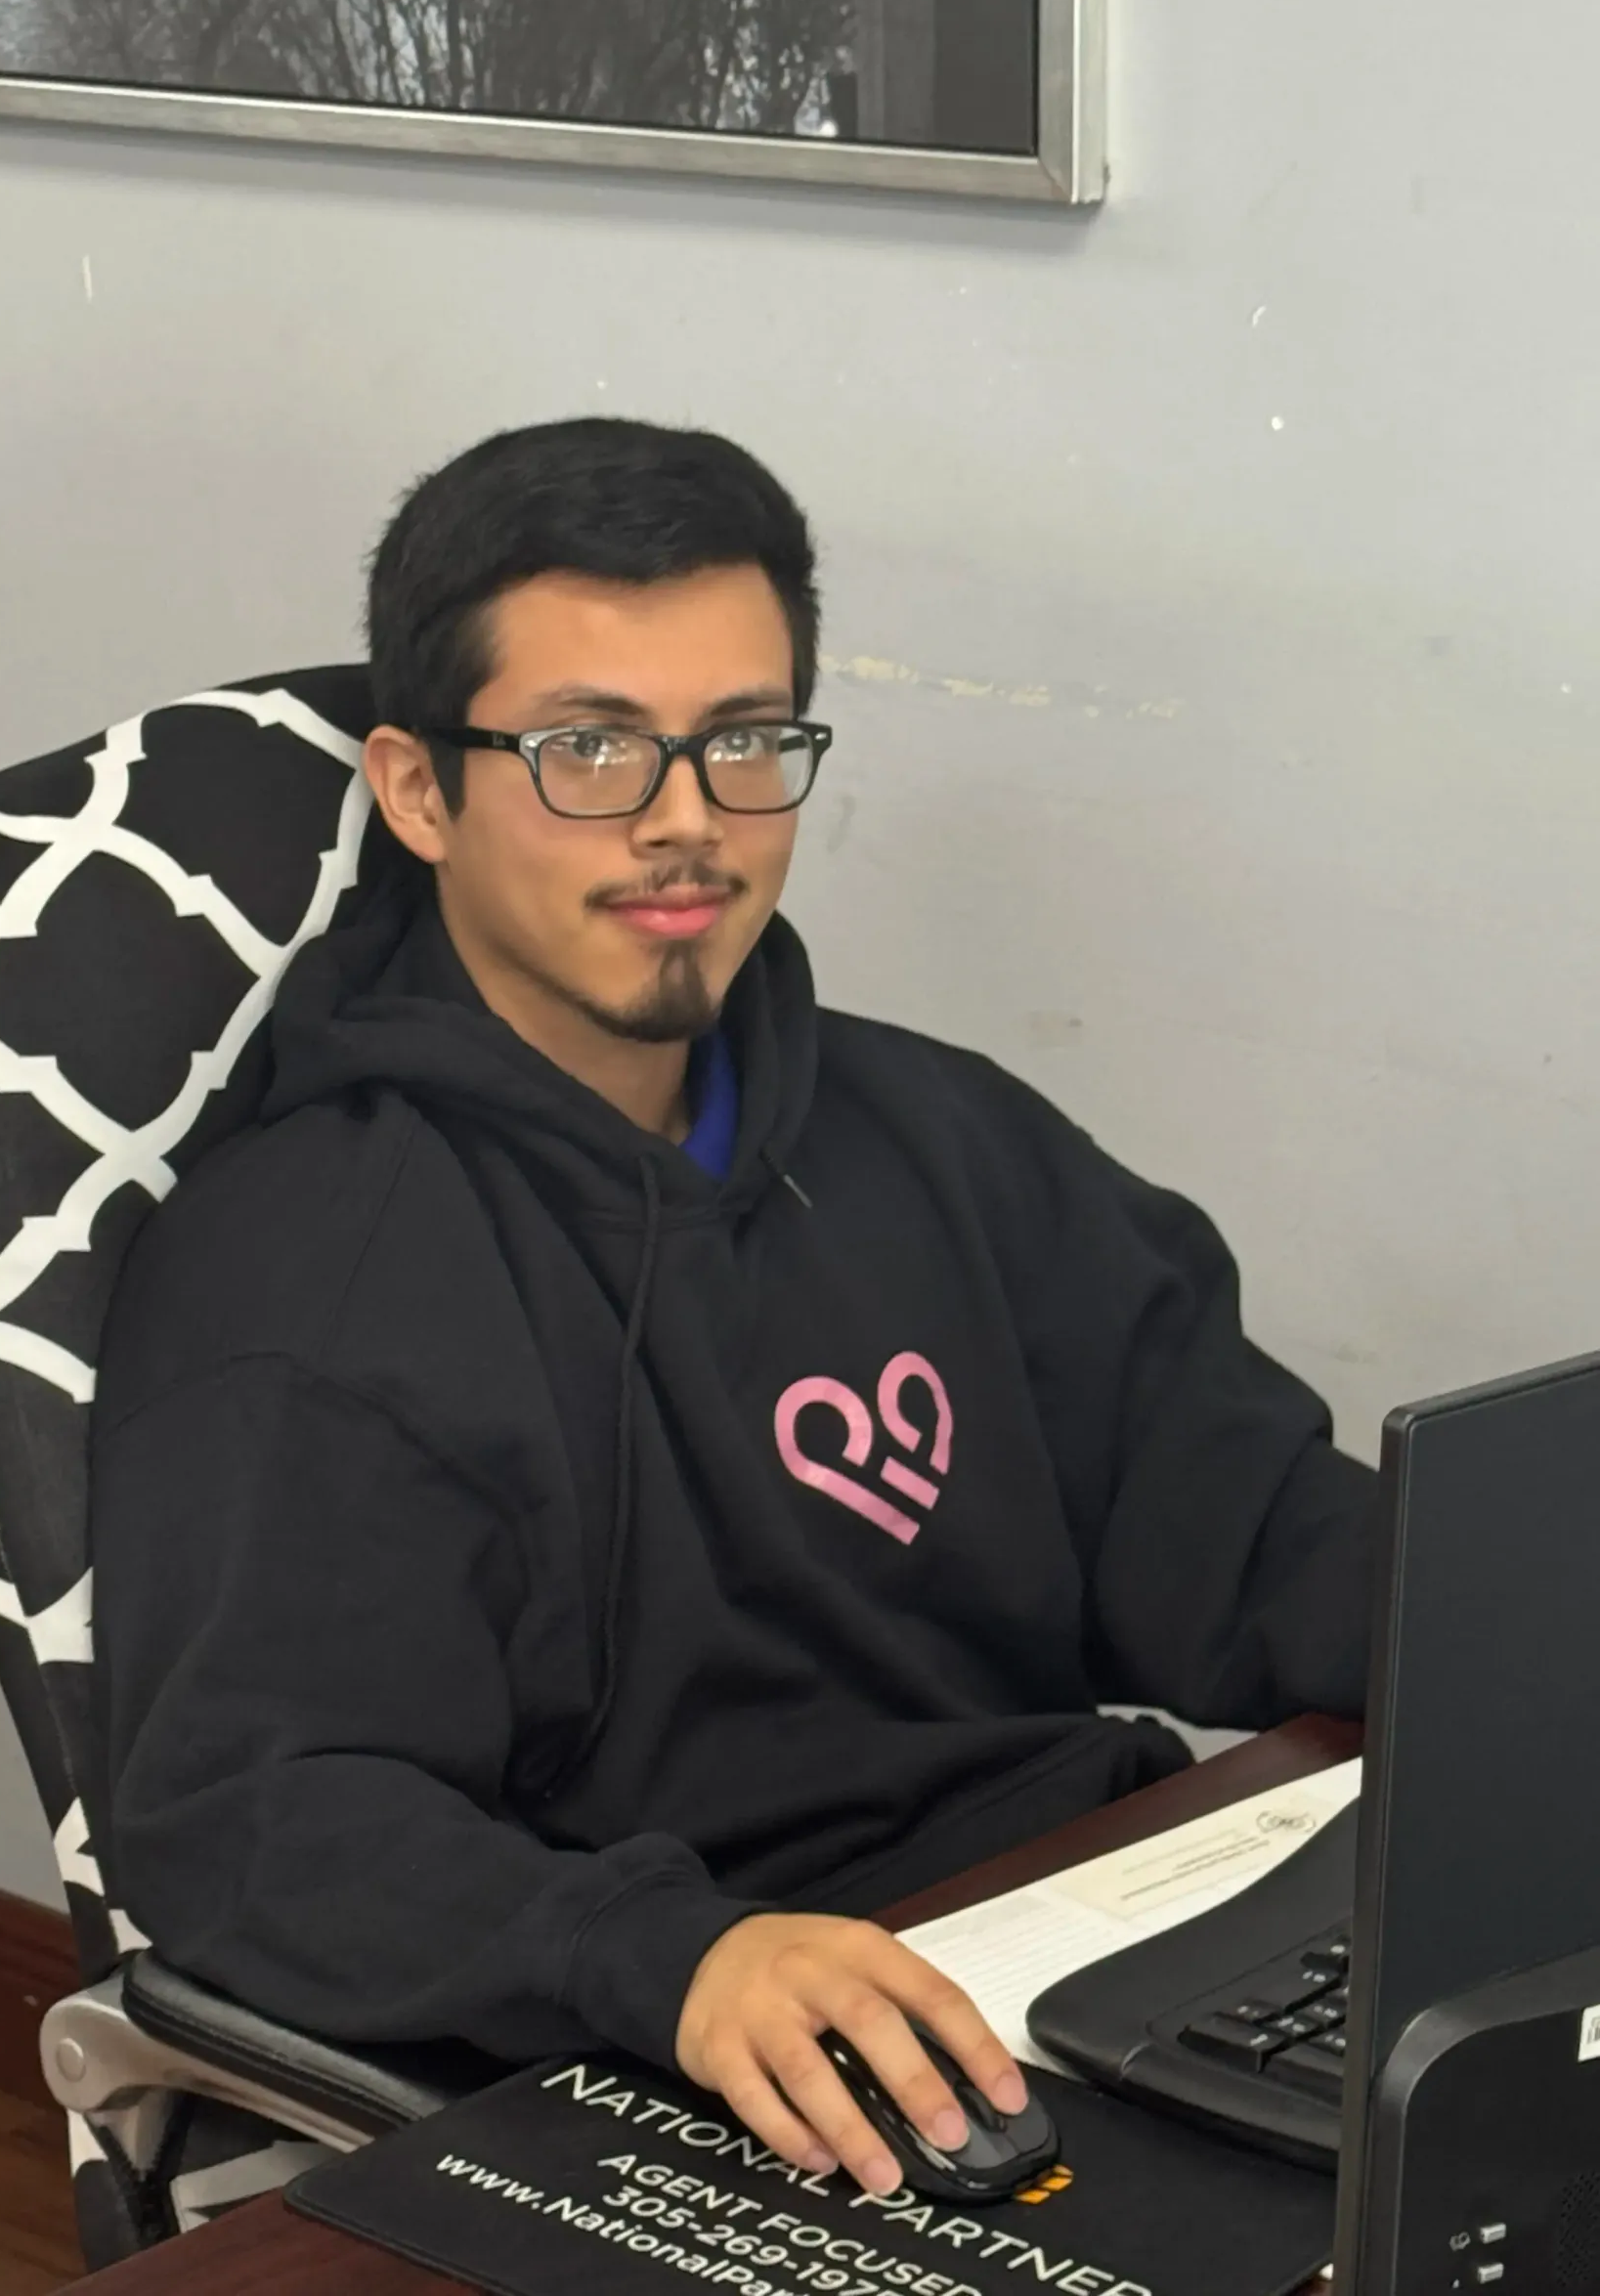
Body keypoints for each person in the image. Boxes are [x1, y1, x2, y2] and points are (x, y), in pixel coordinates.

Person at [91, 418, 1375, 2199]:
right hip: (683, 2059)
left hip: (1068, 1940)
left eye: (744, 742)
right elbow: (261, 1818)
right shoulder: (305, 1281)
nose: (685, 822)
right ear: (416, 790)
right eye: (589, 749)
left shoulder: (938, 1131)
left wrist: (1499, 1639)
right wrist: (672, 1959)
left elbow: (1248, 1528)